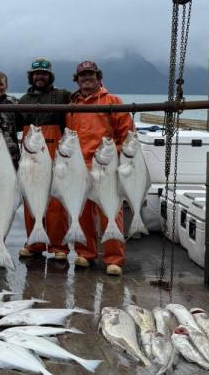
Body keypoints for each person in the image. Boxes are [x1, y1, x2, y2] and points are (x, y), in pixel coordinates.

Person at [65, 60, 134, 276]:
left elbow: (128, 135)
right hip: (79, 167)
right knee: (81, 212)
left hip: (105, 166)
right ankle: (86, 253)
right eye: (83, 75)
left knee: (110, 212)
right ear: (77, 80)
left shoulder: (113, 101)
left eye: (91, 75)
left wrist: (114, 154)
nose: (87, 79)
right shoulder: (72, 106)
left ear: (99, 77)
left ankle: (114, 258)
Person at [16, 58, 72, 260]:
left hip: (56, 152)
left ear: (50, 76)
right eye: (37, 74)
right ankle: (34, 243)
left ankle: (59, 246)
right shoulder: (22, 100)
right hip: (31, 155)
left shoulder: (63, 95)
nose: (40, 77)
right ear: (31, 76)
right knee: (31, 199)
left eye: (44, 74)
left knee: (56, 202)